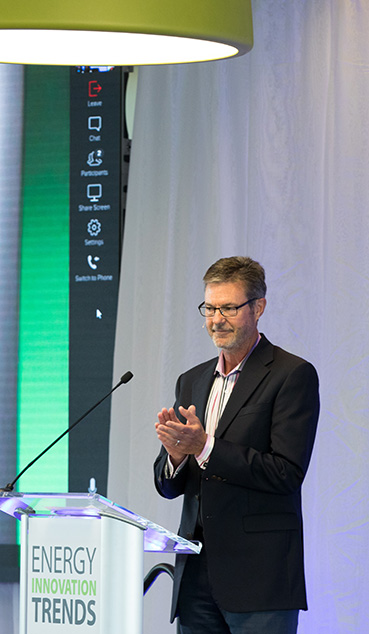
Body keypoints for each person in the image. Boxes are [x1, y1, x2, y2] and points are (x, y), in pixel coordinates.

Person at [153, 256, 319, 634]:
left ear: (258, 308)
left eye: (228, 308)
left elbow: (286, 473)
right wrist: (176, 458)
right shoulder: (191, 380)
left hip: (258, 580)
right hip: (195, 578)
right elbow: (169, 485)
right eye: (209, 308)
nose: (216, 319)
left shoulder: (292, 375)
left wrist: (205, 447)